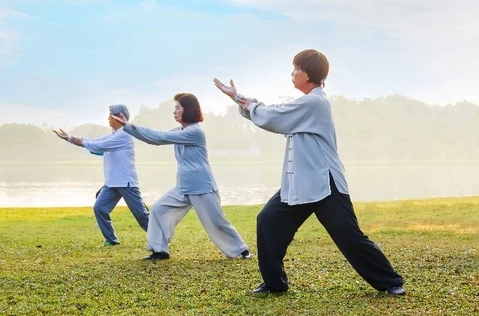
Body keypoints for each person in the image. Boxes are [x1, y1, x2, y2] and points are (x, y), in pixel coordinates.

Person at [213, 49, 405, 295]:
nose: (292, 73)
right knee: (268, 221)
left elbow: (272, 116)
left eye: (297, 68)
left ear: (309, 74)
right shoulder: (306, 105)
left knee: (349, 236)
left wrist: (239, 97)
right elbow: (274, 118)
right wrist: (238, 98)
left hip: (325, 183)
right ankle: (274, 284)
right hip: (300, 183)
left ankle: (391, 282)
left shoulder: (314, 102)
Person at [111, 93, 250, 260]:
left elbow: (160, 138)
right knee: (158, 209)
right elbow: (155, 137)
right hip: (183, 186)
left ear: (188, 110)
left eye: (177, 108)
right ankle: (159, 250)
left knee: (216, 221)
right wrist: (128, 127)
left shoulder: (195, 131)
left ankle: (241, 250)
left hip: (202, 186)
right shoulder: (180, 130)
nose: (174, 111)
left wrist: (127, 126)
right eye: (174, 108)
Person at [53, 104, 149, 246]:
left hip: (126, 182)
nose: (108, 118)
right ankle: (111, 240)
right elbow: (94, 141)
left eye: (111, 114)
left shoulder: (125, 134)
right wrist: (69, 138)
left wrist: (71, 139)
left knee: (142, 216)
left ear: (120, 116)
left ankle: (161, 236)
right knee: (100, 208)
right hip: (112, 183)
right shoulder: (113, 134)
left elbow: (99, 146)